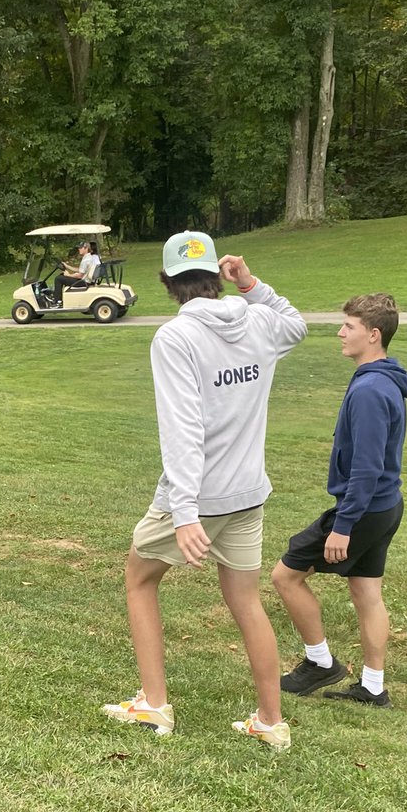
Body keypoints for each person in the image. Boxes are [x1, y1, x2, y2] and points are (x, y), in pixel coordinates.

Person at [102, 230, 307, 749]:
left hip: (201, 497)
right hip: (247, 493)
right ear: (219, 274)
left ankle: (154, 704)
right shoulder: (258, 319)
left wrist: (185, 511)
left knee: (139, 578)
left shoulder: (176, 337)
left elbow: (182, 429)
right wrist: (252, 285)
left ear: (168, 282)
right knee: (245, 599)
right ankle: (270, 721)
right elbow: (296, 324)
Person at [272, 294, 407, 707]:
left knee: (285, 576)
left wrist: (344, 526)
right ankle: (373, 687)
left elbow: (366, 467)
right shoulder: (384, 378)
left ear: (373, 334)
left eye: (349, 326)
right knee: (367, 594)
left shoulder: (370, 390)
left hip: (364, 509)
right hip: (386, 506)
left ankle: (320, 663)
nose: (340, 333)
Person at [50, 241, 101, 306]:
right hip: (88, 281)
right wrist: (67, 266)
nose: (79, 249)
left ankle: (57, 301)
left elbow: (80, 275)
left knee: (58, 279)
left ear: (86, 248)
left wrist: (68, 275)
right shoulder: (90, 257)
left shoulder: (86, 260)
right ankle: (57, 296)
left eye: (81, 248)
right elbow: (80, 270)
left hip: (83, 282)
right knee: (62, 276)